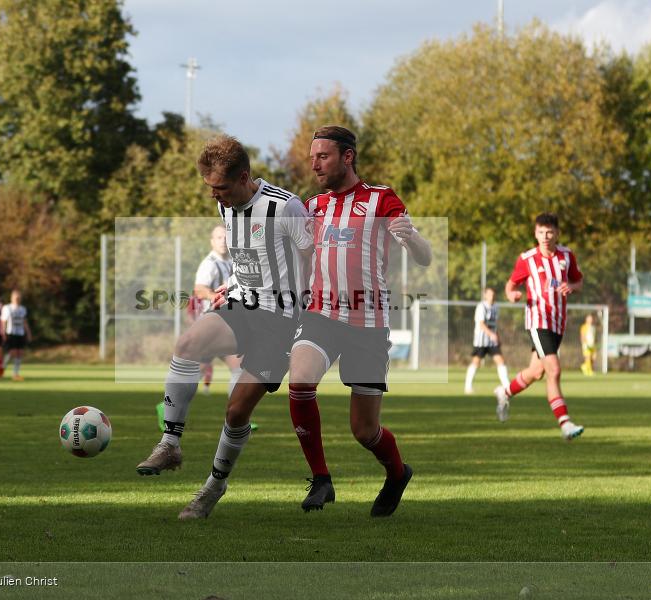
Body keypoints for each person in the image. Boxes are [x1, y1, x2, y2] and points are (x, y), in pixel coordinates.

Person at [134, 135, 313, 522]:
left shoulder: (286, 208)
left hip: (282, 321)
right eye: (211, 189)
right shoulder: (227, 206)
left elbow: (312, 260)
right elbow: (249, 259)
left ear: (244, 177)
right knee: (187, 344)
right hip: (242, 304)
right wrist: (231, 286)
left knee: (236, 412)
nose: (215, 197)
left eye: (221, 188)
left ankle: (214, 486)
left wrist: (310, 318)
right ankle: (170, 444)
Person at [288, 125, 432, 517]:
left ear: (347, 157)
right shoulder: (312, 207)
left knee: (364, 431)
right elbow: (291, 259)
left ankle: (397, 473)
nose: (314, 164)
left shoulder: (381, 199)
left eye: (323, 156)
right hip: (320, 315)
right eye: (312, 156)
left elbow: (424, 256)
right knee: (299, 382)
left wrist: (413, 239)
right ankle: (321, 478)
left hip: (368, 323)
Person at [494, 213, 585, 441]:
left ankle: (504, 392)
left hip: (558, 322)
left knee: (536, 371)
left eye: (549, 232)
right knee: (554, 370)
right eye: (541, 232)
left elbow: (579, 281)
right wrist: (512, 294)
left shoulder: (566, 256)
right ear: (535, 233)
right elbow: (511, 283)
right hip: (537, 320)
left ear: (557, 233)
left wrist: (571, 287)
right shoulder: (527, 259)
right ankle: (565, 424)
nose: (545, 237)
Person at [188, 224, 242, 396]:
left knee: (234, 367)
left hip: (225, 322)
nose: (223, 241)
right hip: (211, 323)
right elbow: (199, 289)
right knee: (238, 366)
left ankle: (168, 407)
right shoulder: (209, 264)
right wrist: (215, 297)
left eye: (226, 237)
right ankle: (235, 419)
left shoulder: (232, 261)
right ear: (212, 241)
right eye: (219, 237)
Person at [464, 287, 511, 394]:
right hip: (481, 340)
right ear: (485, 295)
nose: (492, 296)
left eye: (493, 294)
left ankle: (507, 386)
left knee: (501, 361)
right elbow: (481, 324)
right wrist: (491, 334)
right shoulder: (481, 307)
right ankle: (468, 386)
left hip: (492, 341)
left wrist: (497, 336)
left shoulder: (496, 307)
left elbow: (495, 325)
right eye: (489, 294)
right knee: (476, 362)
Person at [0, 290, 32, 381]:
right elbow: (3, 321)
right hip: (11, 333)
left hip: (20, 333)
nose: (17, 299)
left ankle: (15, 374)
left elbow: (24, 322)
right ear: (12, 298)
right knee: (12, 353)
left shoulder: (22, 309)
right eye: (16, 297)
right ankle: (3, 366)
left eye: (19, 297)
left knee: (20, 353)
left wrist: (28, 332)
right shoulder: (7, 308)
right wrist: (3, 333)